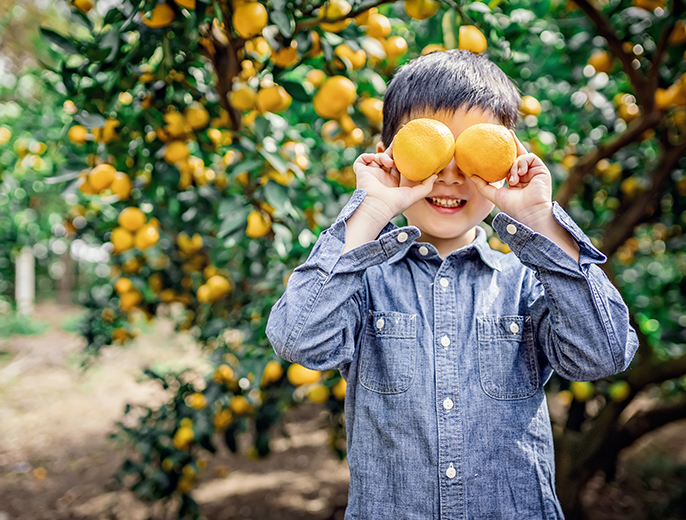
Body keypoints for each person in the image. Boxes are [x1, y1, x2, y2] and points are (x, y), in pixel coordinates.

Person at [266, 49, 639, 519]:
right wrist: (372, 208)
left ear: (507, 160)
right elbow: (298, 340)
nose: (451, 175)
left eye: (472, 153)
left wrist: (539, 221)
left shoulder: (523, 284)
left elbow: (603, 351)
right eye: (432, 150)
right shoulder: (363, 285)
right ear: (390, 157)